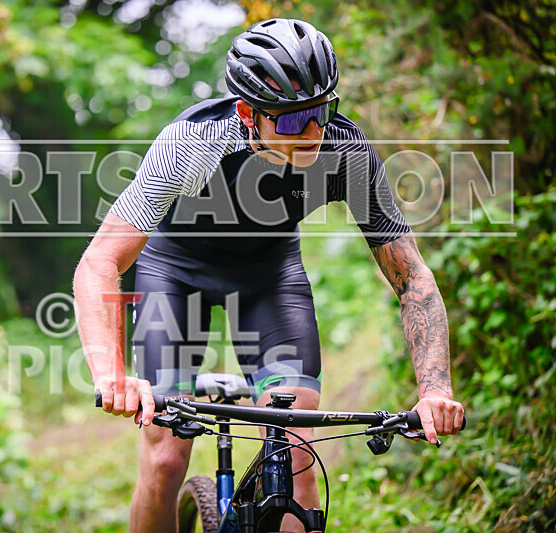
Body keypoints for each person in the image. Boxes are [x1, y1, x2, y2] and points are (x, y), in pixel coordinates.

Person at [73, 18, 465, 533]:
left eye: (320, 113)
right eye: (289, 121)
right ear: (246, 114)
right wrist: (112, 376)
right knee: (167, 456)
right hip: (176, 272)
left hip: (269, 275)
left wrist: (434, 390)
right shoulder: (192, 143)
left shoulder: (345, 153)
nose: (312, 135)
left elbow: (412, 277)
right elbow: (100, 261)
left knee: (297, 447)